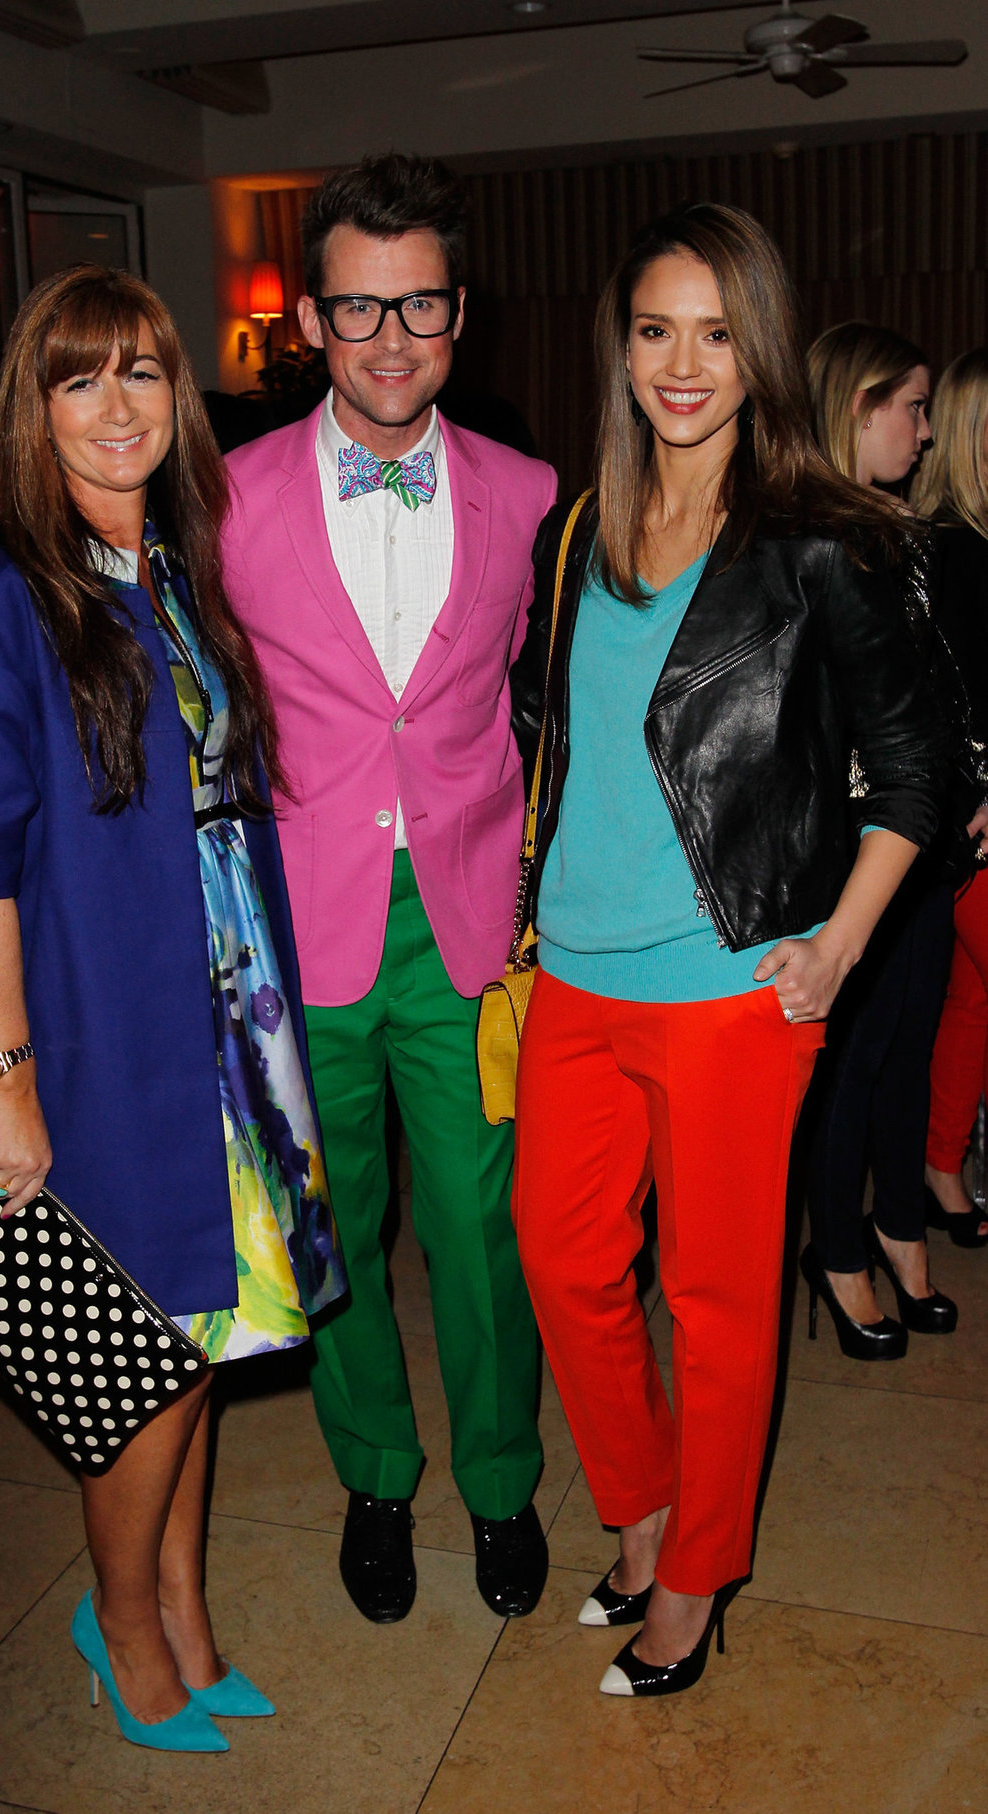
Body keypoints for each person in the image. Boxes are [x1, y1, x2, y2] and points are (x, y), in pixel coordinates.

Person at [509, 203, 943, 1698]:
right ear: (620, 346)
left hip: (727, 985)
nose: (680, 365)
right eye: (653, 330)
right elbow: (548, 732)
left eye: (711, 332)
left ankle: (694, 1574)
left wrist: (836, 947)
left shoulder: (821, 538)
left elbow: (915, 773)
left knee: (714, 1298)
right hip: (572, 973)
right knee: (564, 1259)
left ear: (756, 349)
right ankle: (634, 1509)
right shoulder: (577, 528)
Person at [0, 265, 345, 1751]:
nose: (117, 406)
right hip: (103, 1023)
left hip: (225, 1010)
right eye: (80, 377)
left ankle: (184, 1610)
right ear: (32, 409)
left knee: (205, 1338)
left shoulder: (174, 569)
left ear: (178, 398)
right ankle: (122, 1622)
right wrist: (6, 1084)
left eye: (143, 373)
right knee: (140, 1351)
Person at [220, 154, 556, 1624]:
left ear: (458, 311)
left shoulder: (530, 495)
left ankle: (500, 1481)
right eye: (357, 306)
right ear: (310, 319)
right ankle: (373, 1473)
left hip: (469, 921)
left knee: (482, 1228)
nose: (390, 336)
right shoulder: (222, 499)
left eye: (418, 303)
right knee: (337, 1224)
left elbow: (541, 695)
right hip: (302, 924)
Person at [802, 321, 958, 1352]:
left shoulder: (899, 530)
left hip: (921, 824)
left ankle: (900, 1224)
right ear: (858, 408)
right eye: (910, 407)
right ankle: (837, 1250)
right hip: (852, 838)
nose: (925, 430)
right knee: (850, 1059)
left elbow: (934, 687)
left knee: (909, 1044)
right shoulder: (810, 536)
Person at [912, 349, 988, 1246]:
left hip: (959, 823)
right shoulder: (948, 550)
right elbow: (954, 699)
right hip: (964, 818)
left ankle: (940, 1168)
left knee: (970, 1000)